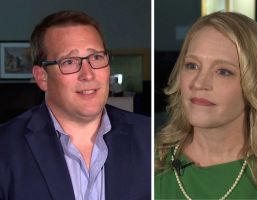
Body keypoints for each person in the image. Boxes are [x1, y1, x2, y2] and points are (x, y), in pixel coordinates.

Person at [0, 10, 150, 200]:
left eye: (96, 57)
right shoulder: (5, 148)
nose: (88, 74)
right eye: (69, 62)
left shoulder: (149, 138)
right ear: (42, 77)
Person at [155, 11, 257, 199]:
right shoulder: (151, 160)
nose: (199, 83)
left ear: (255, 84)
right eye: (192, 65)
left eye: (223, 71)